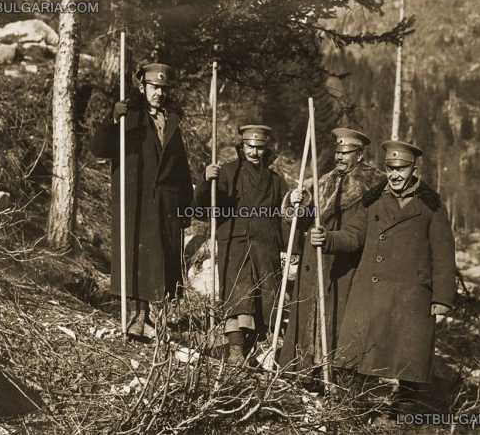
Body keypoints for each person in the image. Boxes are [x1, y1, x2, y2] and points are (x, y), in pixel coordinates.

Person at [310, 140, 456, 405]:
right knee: (361, 356)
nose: (395, 175)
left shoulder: (431, 205)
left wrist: (442, 298)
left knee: (408, 362)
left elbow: (444, 254)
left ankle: (406, 414)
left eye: (401, 169)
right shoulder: (373, 200)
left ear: (414, 169)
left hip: (412, 297)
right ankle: (356, 409)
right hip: (372, 292)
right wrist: (328, 238)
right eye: (390, 168)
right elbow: (354, 236)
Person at [91, 61, 193, 338]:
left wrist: (186, 205)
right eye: (153, 87)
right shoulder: (130, 118)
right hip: (136, 199)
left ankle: (148, 318)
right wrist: (114, 120)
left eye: (163, 88)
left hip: (165, 202)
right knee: (137, 257)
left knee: (160, 259)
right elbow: (100, 148)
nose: (158, 93)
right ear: (142, 87)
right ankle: (136, 317)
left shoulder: (171, 121)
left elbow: (180, 166)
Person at [278, 128, 385, 374]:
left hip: (343, 266)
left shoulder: (371, 185)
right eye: (337, 151)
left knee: (337, 321)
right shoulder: (323, 181)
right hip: (314, 264)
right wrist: (296, 204)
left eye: (345, 152)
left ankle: (332, 375)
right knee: (306, 317)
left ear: (359, 155)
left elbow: (358, 233)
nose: (339, 157)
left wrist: (329, 239)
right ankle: (302, 370)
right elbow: (304, 219)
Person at [194, 125, 288, 364]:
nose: (254, 152)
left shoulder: (275, 181)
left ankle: (257, 349)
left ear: (266, 149)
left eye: (259, 148)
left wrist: (291, 246)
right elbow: (205, 207)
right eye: (250, 146)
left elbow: (286, 216)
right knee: (239, 296)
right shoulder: (227, 173)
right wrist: (207, 182)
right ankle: (235, 350)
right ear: (242, 146)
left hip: (266, 247)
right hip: (236, 243)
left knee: (266, 297)